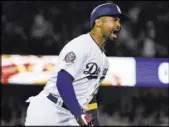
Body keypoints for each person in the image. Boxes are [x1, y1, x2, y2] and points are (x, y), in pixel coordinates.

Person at [25, 2, 129, 126]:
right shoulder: (81, 45)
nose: (119, 25)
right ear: (98, 22)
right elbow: (63, 81)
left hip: (72, 114)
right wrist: (79, 114)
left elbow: (90, 97)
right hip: (49, 110)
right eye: (114, 19)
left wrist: (94, 122)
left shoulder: (104, 62)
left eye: (119, 22)